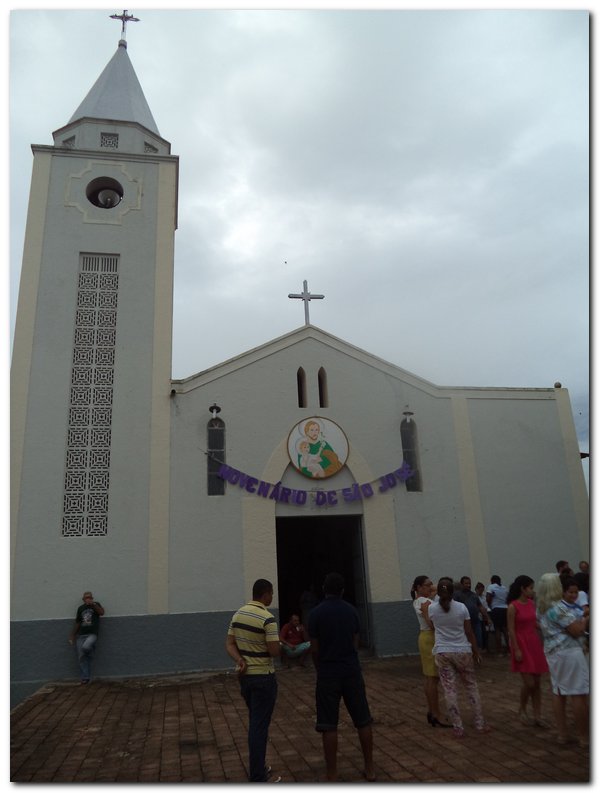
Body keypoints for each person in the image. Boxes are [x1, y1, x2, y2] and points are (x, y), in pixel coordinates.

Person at [308, 572, 375, 782]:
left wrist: (321, 668)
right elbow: (356, 641)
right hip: (351, 670)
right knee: (363, 720)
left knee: (328, 724)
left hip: (328, 671)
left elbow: (315, 649)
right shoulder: (352, 611)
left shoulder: (316, 614)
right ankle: (370, 769)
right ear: (343, 590)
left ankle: (332, 773)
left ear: (323, 589)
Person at [226, 579, 281, 782]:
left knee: (255, 721)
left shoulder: (238, 614)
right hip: (264, 678)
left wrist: (240, 659)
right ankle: (258, 774)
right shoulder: (268, 618)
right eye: (271, 594)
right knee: (259, 726)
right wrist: (283, 646)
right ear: (265, 594)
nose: (272, 597)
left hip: (245, 678)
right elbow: (274, 651)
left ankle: (259, 766)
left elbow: (229, 643)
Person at [427, 577, 491, 739]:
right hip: (462, 650)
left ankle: (458, 727)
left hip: (442, 651)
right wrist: (476, 651)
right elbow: (469, 632)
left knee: (449, 690)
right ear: (453, 591)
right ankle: (479, 723)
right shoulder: (462, 608)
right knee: (471, 687)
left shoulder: (432, 609)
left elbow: (433, 627)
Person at [536, 573, 589, 748]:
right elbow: (576, 630)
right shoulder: (558, 608)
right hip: (569, 651)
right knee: (578, 693)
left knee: (558, 691)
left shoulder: (541, 607)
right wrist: (585, 619)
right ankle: (584, 737)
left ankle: (562, 734)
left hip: (553, 652)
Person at [506, 575, 550, 727]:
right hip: (521, 643)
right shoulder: (513, 606)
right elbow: (511, 630)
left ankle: (537, 715)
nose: (533, 591)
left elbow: (534, 622)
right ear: (522, 589)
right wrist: (516, 649)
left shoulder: (531, 604)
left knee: (537, 683)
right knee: (529, 683)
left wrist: (546, 628)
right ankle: (522, 708)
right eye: (530, 588)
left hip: (533, 643)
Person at [411, 575, 450, 728]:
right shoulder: (426, 603)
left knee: (429, 678)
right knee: (433, 678)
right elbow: (432, 623)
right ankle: (436, 713)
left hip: (424, 637)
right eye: (426, 585)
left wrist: (431, 589)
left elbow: (434, 591)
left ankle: (432, 711)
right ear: (419, 587)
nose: (430, 587)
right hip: (431, 637)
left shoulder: (420, 600)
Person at [68, 591, 105, 685]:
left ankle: (91, 652)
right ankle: (85, 678)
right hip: (81, 635)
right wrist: (72, 635)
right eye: (86, 598)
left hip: (92, 634)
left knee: (86, 647)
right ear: (83, 599)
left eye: (90, 598)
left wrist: (93, 605)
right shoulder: (80, 608)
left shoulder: (96, 605)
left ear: (92, 598)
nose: (88, 599)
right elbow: (78, 622)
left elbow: (102, 613)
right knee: (81, 657)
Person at [454, 576, 491, 649]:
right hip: (462, 622)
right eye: (466, 583)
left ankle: (477, 655)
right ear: (461, 584)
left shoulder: (474, 595)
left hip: (475, 621)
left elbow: (480, 607)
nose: (468, 585)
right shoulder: (456, 595)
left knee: (478, 640)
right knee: (466, 641)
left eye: (469, 583)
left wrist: (488, 618)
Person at [486, 575, 509, 653]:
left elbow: (488, 598)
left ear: (492, 581)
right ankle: (509, 649)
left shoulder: (491, 587)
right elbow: (507, 599)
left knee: (497, 629)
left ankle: (499, 650)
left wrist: (490, 605)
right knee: (505, 629)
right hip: (505, 609)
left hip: (496, 609)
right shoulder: (504, 588)